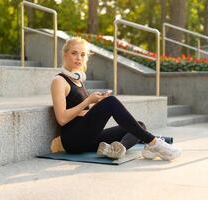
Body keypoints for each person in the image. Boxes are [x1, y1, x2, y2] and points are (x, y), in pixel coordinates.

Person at [50, 36, 181, 161]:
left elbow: (81, 113)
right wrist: (89, 101)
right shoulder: (59, 81)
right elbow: (62, 119)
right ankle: (154, 143)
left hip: (88, 138)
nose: (79, 58)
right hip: (73, 140)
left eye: (83, 54)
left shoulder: (79, 80)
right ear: (65, 54)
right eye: (74, 53)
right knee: (111, 102)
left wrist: (97, 105)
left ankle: (117, 149)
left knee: (140, 125)